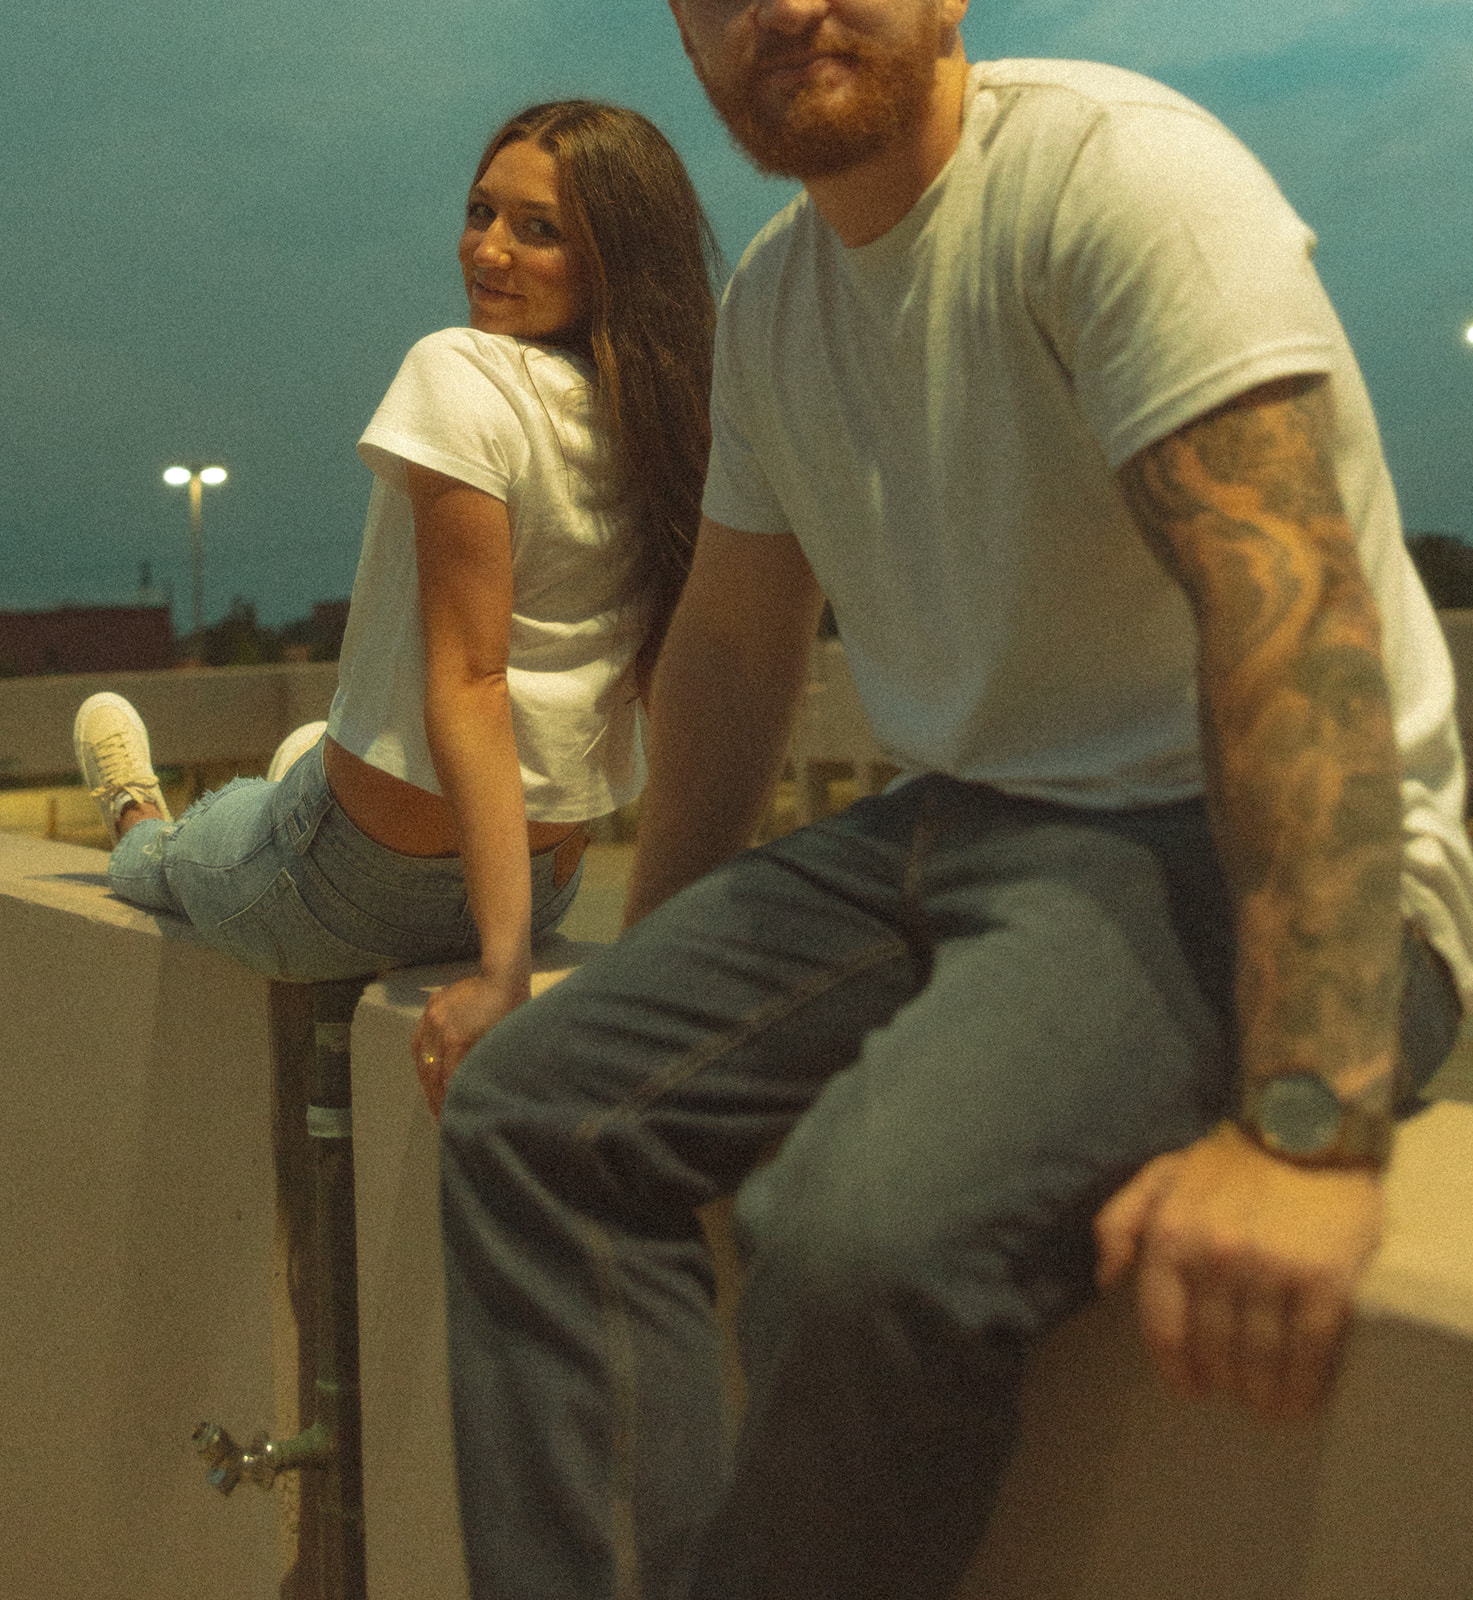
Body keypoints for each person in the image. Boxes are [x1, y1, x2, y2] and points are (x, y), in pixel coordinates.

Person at [439, 6, 1473, 1599]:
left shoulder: (1113, 179)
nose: (782, 6)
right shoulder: (781, 295)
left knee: (857, 1237)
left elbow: (1288, 610)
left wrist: (1310, 1128)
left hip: (1215, 835)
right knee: (534, 1113)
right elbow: (725, 649)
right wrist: (654, 973)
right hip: (954, 826)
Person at [71, 100, 718, 1111]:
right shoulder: (664, 416)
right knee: (295, 774)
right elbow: (664, 686)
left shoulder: (456, 372)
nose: (487, 251)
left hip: (346, 883)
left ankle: (133, 805)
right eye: (479, 212)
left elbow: (471, 677)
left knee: (176, 856)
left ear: (616, 257)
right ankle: (303, 762)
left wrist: (502, 973)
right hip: (542, 878)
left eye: (536, 229)